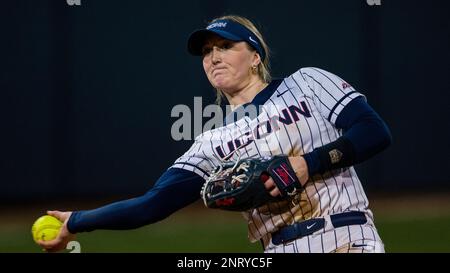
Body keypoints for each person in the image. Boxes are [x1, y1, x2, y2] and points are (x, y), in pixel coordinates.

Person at [39, 15, 392, 253]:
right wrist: (78, 221)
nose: (213, 57)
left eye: (225, 46)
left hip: (346, 236)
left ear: (255, 56)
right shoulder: (210, 143)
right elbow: (152, 205)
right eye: (207, 51)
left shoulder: (307, 82)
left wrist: (308, 164)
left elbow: (373, 131)